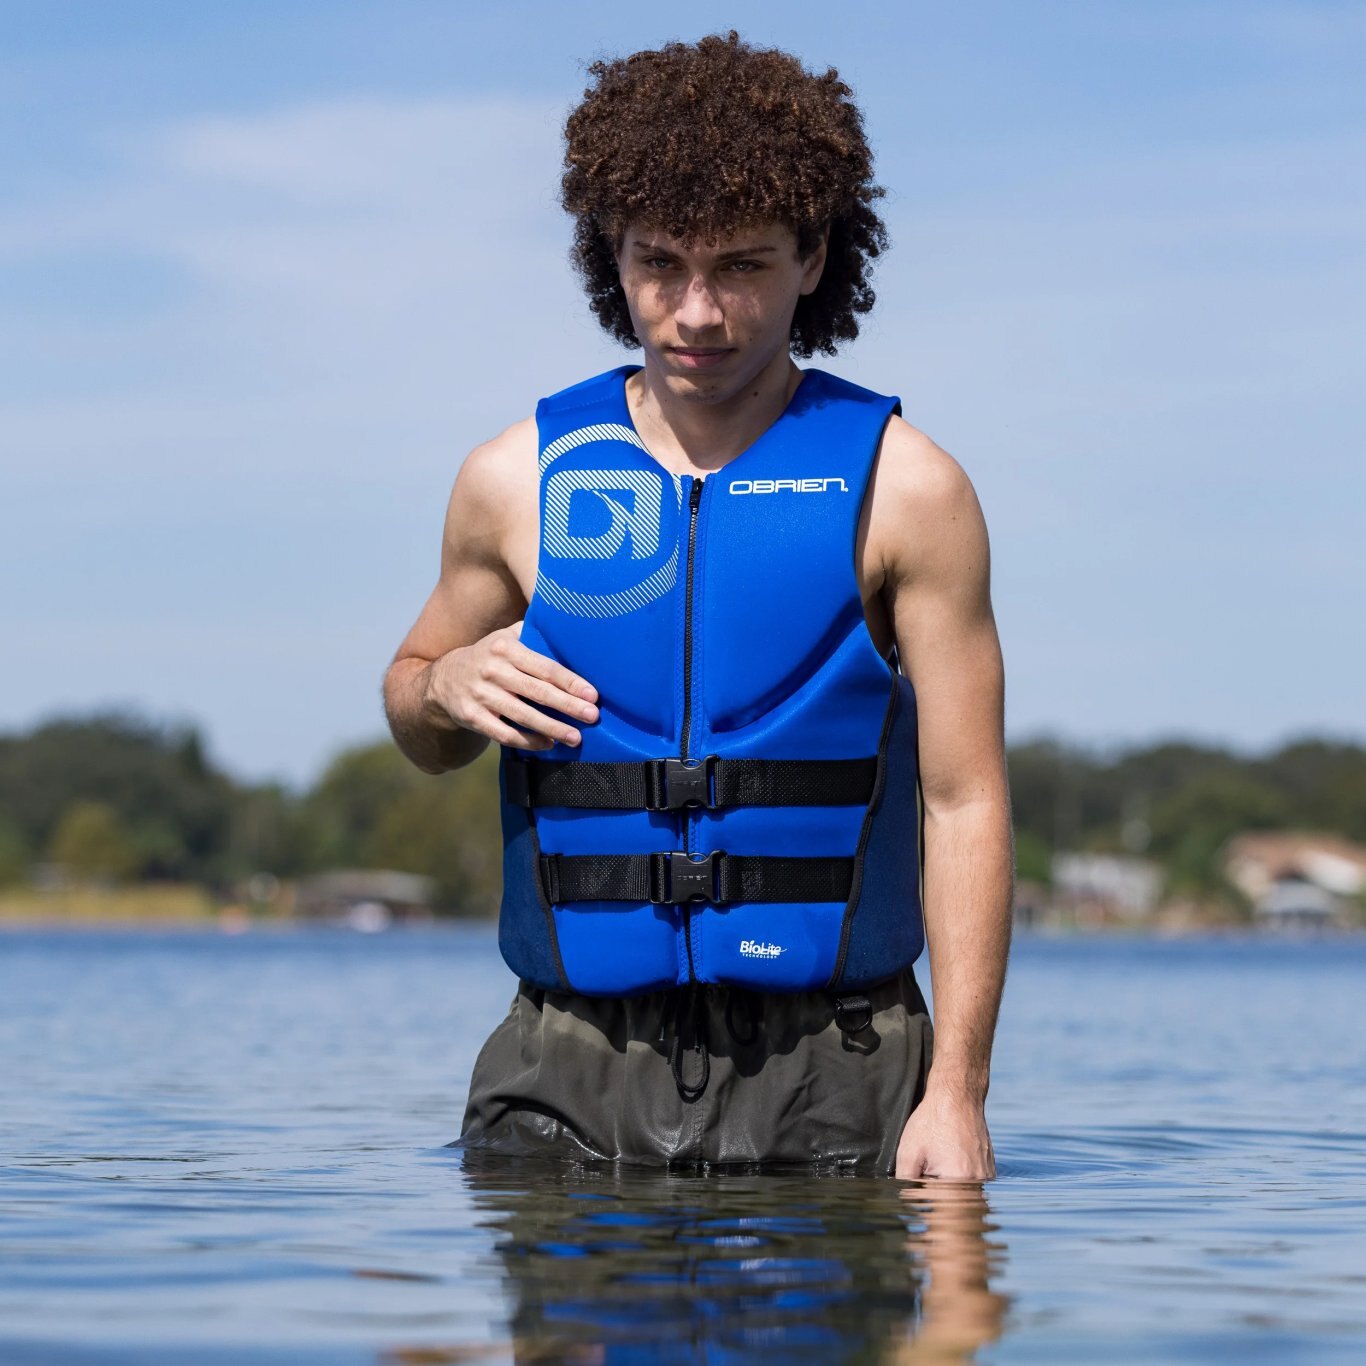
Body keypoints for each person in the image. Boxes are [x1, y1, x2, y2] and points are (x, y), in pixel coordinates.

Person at [383, 32, 1012, 1179]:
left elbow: (964, 800)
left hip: (839, 1066)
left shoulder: (909, 489)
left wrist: (958, 1092)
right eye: (659, 264)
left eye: (742, 266)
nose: (697, 313)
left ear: (813, 257)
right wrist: (441, 687)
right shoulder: (513, 479)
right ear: (608, 254)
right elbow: (417, 718)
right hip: (564, 1065)